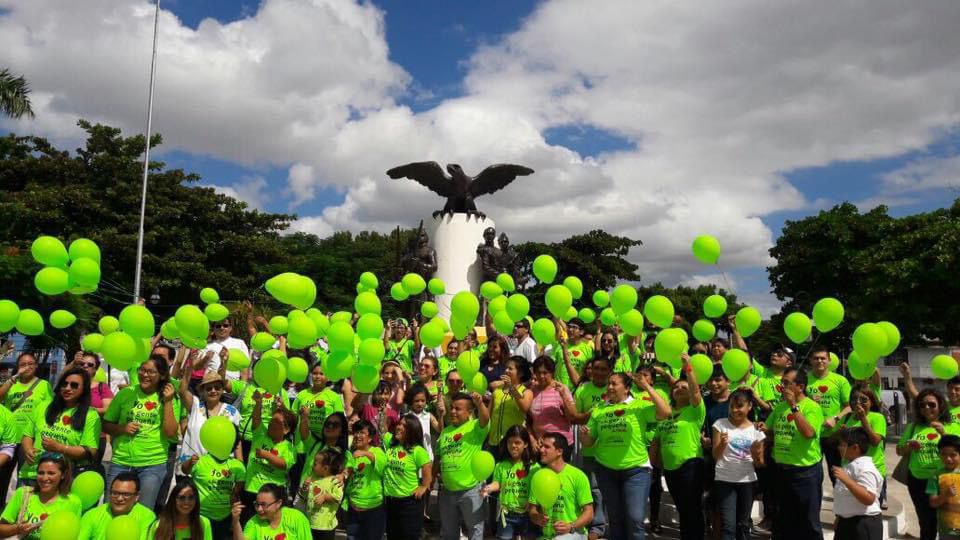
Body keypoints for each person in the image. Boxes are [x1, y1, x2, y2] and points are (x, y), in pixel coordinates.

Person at [581, 371, 670, 540]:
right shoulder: (599, 410)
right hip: (606, 471)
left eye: (614, 384)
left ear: (627, 388)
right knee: (615, 520)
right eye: (609, 383)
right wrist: (585, 436)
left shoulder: (639, 406)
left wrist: (646, 386)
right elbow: (589, 442)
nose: (610, 387)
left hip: (635, 471)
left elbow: (665, 412)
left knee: (635, 519)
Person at [102, 355, 180, 510]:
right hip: (121, 461)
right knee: (111, 509)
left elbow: (171, 433)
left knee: (143, 512)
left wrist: (168, 401)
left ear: (162, 375)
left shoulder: (170, 398)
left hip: (153, 464)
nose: (145, 375)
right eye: (142, 370)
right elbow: (106, 424)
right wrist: (122, 428)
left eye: (151, 372)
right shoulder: (125, 393)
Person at [763, 367, 825, 540]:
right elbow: (769, 430)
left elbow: (808, 433)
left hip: (805, 473)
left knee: (809, 522)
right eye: (782, 383)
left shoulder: (812, 407)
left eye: (787, 383)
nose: (782, 387)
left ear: (800, 387)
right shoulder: (779, 407)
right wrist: (761, 429)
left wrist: (793, 407)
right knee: (783, 520)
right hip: (781, 470)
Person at [651, 355, 706, 540]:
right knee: (682, 509)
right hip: (670, 468)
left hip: (690, 465)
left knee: (692, 508)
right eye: (676, 388)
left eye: (684, 387)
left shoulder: (694, 410)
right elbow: (657, 442)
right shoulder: (666, 414)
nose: (679, 389)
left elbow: (696, 392)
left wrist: (688, 367)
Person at [897, 388, 960, 540]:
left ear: (940, 406)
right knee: (926, 522)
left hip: (946, 480)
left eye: (931, 405)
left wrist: (944, 433)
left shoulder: (953, 426)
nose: (927, 408)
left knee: (950, 521)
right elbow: (899, 450)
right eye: (922, 405)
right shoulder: (913, 427)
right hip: (918, 481)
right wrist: (908, 447)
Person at [21, 367, 100, 483]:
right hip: (32, 474)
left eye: (74, 385)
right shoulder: (43, 406)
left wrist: (60, 448)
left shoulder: (91, 415)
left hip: (61, 479)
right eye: (64, 384)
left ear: (84, 389)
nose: (67, 388)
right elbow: (27, 435)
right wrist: (28, 449)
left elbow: (90, 451)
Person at [435, 391, 490, 540]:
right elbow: (438, 456)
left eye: (458, 409)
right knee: (448, 533)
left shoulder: (475, 428)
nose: (452, 411)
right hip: (447, 491)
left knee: (475, 531)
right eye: (452, 407)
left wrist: (480, 403)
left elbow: (485, 419)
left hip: (471, 490)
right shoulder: (445, 431)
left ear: (469, 412)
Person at [712, 389, 765, 540]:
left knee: (743, 525)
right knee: (728, 526)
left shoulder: (756, 430)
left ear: (750, 406)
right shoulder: (720, 425)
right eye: (732, 406)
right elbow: (716, 455)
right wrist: (722, 444)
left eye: (740, 406)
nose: (735, 410)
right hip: (724, 480)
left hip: (747, 482)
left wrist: (755, 452)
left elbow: (760, 464)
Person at [0, 352, 53, 500]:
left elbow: (47, 411)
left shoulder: (43, 385)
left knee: (24, 480)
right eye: (23, 364)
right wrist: (14, 377)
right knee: (2, 477)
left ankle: (21, 512)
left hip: (28, 439)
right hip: (8, 438)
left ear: (36, 366)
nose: (27, 367)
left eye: (30, 364)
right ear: (17, 367)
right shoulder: (11, 384)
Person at [570, 357, 612, 540]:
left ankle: (611, 524)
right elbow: (574, 417)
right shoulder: (582, 389)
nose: (600, 372)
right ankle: (597, 526)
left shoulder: (614, 387)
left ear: (609, 371)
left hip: (613, 449)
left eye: (604, 369)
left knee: (610, 489)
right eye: (596, 369)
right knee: (594, 489)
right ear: (590, 371)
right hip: (589, 449)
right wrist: (591, 415)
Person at [182, 426, 247, 539]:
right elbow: (184, 470)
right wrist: (189, 462)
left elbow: (238, 489)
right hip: (200, 515)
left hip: (224, 518)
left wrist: (234, 496)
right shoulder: (201, 461)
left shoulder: (238, 466)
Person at [242, 392, 296, 523]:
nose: (272, 424)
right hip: (252, 491)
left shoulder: (289, 447)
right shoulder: (260, 435)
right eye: (272, 420)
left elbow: (283, 464)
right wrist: (258, 403)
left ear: (286, 429)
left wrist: (265, 455)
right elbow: (256, 419)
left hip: (272, 497)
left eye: (277, 422)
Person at [529, 432, 594, 540]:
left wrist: (570, 526)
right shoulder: (539, 476)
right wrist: (537, 518)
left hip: (575, 534)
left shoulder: (577, 476)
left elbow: (589, 512)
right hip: (546, 536)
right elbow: (532, 510)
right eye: (541, 446)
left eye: (547, 447)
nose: (541, 450)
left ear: (559, 451)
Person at [0, 454, 80, 539]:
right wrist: (17, 529)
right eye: (41, 473)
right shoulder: (23, 493)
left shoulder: (73, 502)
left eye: (51, 473)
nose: (45, 478)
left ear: (63, 475)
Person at [293, 363, 345, 492]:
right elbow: (292, 417)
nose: (318, 376)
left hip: (323, 447)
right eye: (315, 373)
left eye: (321, 374)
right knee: (298, 481)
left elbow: (339, 419)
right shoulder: (301, 395)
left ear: (328, 377)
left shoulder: (333, 397)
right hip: (301, 446)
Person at [805, 346, 852, 485]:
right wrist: (809, 401)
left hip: (835, 434)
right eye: (816, 358)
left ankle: (840, 501)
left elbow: (850, 406)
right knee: (813, 474)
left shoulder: (840, 380)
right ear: (810, 361)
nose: (820, 361)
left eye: (823, 358)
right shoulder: (804, 380)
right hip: (812, 434)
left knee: (836, 473)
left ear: (829, 361)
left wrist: (836, 418)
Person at [482, 425, 537, 540]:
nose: (513, 446)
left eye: (518, 442)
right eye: (510, 442)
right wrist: (489, 488)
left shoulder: (534, 468)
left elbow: (537, 490)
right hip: (506, 516)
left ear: (526, 444)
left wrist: (532, 503)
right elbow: (497, 483)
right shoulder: (500, 465)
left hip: (527, 516)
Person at [178, 370, 242, 467]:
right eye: (209, 388)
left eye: (217, 388)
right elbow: (182, 392)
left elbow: (236, 441)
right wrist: (190, 368)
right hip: (191, 467)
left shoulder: (232, 412)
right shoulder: (195, 406)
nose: (213, 391)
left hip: (218, 471)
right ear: (203, 391)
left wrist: (240, 462)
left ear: (222, 390)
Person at [383, 414, 433, 540]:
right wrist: (383, 411)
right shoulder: (390, 443)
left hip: (409, 503)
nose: (399, 427)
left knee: (409, 536)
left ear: (412, 429)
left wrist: (424, 486)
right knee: (393, 536)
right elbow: (382, 428)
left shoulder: (417, 450)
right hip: (390, 502)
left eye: (404, 425)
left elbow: (427, 469)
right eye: (399, 424)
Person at [832, 427, 883, 540]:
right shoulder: (850, 466)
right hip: (847, 523)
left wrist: (847, 480)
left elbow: (868, 498)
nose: (839, 448)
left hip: (863, 523)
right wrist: (840, 518)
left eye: (843, 445)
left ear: (855, 447)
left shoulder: (865, 468)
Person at [839, 386, 887, 504]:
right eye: (854, 399)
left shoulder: (877, 417)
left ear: (871, 401)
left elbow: (875, 441)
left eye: (863, 400)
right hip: (849, 470)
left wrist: (863, 420)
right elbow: (834, 440)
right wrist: (841, 432)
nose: (858, 403)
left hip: (871, 471)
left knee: (869, 507)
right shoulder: (847, 418)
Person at [79, 471, 158, 539]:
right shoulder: (92, 515)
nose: (119, 498)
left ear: (137, 496)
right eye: (115, 493)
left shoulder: (147, 517)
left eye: (126, 494)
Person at [344, 419, 387, 540]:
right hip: (353, 509)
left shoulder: (377, 451)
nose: (358, 435)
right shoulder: (350, 454)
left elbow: (382, 467)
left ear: (370, 438)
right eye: (356, 432)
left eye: (362, 432)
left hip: (373, 510)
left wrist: (365, 454)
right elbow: (347, 475)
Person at [296, 448, 345, 540]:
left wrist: (325, 497)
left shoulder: (334, 481)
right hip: (310, 522)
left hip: (325, 526)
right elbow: (303, 495)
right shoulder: (313, 477)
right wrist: (304, 487)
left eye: (315, 464)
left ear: (325, 468)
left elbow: (338, 497)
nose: (312, 465)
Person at [73, 352, 113, 464]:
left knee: (90, 470)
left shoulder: (102, 387)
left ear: (95, 369)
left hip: (96, 436)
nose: (85, 366)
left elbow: (108, 410)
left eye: (90, 364)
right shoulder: (70, 385)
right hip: (71, 434)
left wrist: (86, 410)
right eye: (82, 363)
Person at [233, 483, 311, 540]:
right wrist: (236, 522)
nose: (259, 509)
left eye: (264, 505)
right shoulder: (253, 522)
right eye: (257, 504)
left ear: (278, 503)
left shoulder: (297, 518)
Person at [488, 357, 533, 453]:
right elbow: (489, 414)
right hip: (493, 442)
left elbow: (524, 408)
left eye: (510, 369)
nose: (506, 371)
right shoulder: (497, 390)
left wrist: (511, 387)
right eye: (506, 368)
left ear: (520, 373)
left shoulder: (526, 391)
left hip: (513, 445)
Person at [529, 356, 577, 447]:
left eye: (545, 373)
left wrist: (563, 396)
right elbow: (528, 420)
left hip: (561, 444)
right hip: (540, 445)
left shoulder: (561, 389)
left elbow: (572, 416)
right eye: (538, 373)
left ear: (552, 373)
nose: (541, 376)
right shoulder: (532, 391)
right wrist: (532, 440)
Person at [148, 478, 213, 540]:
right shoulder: (158, 525)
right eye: (181, 498)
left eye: (191, 498)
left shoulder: (203, 523)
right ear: (173, 500)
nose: (186, 502)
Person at [300, 411, 350, 487]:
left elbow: (350, 469)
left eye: (335, 425)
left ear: (342, 432)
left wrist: (343, 475)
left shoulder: (345, 454)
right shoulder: (315, 444)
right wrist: (305, 416)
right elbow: (304, 433)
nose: (330, 426)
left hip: (324, 496)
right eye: (327, 424)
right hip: (303, 493)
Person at [927, 434, 960, 540]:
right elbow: (933, 503)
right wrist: (945, 495)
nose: (948, 459)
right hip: (948, 529)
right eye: (944, 454)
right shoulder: (936, 475)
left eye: (953, 455)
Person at [554, 319, 593, 388]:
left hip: (578, 390)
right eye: (569, 327)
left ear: (581, 332)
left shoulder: (588, 349)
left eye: (574, 327)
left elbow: (590, 372)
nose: (570, 329)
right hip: (559, 390)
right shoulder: (559, 345)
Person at [404, 384, 440, 460]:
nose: (420, 404)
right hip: (411, 456)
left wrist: (441, 415)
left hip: (427, 455)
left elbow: (439, 429)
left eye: (423, 401)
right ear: (411, 401)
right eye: (416, 401)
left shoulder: (428, 416)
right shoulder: (406, 417)